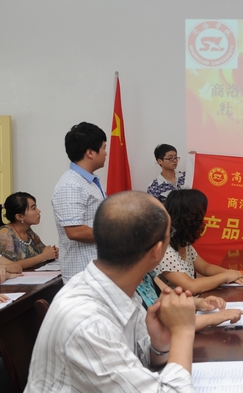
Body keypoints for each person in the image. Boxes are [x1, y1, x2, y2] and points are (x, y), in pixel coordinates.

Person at [25, 191, 197, 392]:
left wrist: (159, 345)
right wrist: (183, 331)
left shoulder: (115, 287)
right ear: (157, 251)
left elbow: (131, 360)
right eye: (170, 233)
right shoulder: (89, 323)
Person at [154, 189, 243, 295]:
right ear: (188, 219)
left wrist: (232, 274)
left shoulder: (184, 244)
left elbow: (205, 268)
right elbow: (190, 286)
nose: (202, 222)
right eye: (200, 218)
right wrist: (225, 276)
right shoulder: (164, 250)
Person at [52, 122, 107, 283]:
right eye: (104, 148)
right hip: (83, 275)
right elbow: (75, 231)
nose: (106, 153)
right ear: (90, 153)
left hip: (98, 270)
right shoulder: (70, 185)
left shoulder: (89, 181)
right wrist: (115, 235)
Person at [137, 271, 243, 331]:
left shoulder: (147, 274)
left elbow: (172, 297)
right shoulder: (129, 290)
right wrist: (210, 318)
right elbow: (162, 329)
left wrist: (197, 302)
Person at [0, 192, 59, 269]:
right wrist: (43, 256)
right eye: (33, 208)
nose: (38, 211)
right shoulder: (5, 234)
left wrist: (53, 251)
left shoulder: (28, 231)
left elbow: (43, 250)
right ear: (19, 217)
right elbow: (11, 265)